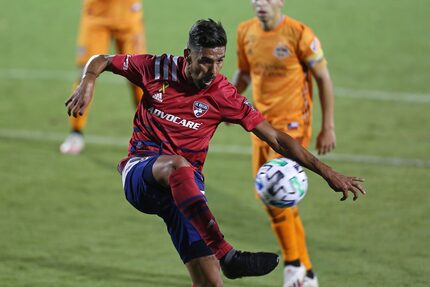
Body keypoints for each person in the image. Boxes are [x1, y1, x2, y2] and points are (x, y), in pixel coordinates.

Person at [65, 19, 365, 287]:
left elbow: (275, 138)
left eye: (220, 61)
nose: (213, 70)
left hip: (185, 195)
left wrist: (327, 172)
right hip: (142, 173)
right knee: (177, 165)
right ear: (188, 55)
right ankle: (227, 254)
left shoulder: (224, 94)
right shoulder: (157, 68)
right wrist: (88, 81)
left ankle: (223, 263)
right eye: (205, 61)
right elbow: (101, 59)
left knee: (210, 283)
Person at [232, 0, 337, 286]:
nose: (260, 3)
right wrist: (228, 103)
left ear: (280, 1)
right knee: (278, 199)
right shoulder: (245, 32)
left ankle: (293, 267)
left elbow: (323, 79)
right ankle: (308, 272)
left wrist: (328, 126)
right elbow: (243, 73)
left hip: (293, 129)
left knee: (277, 193)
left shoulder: (299, 34)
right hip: (260, 126)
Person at [60, 0, 147, 155]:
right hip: (96, 14)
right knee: (86, 73)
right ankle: (76, 131)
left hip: (128, 14)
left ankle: (150, 133)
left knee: (139, 76)